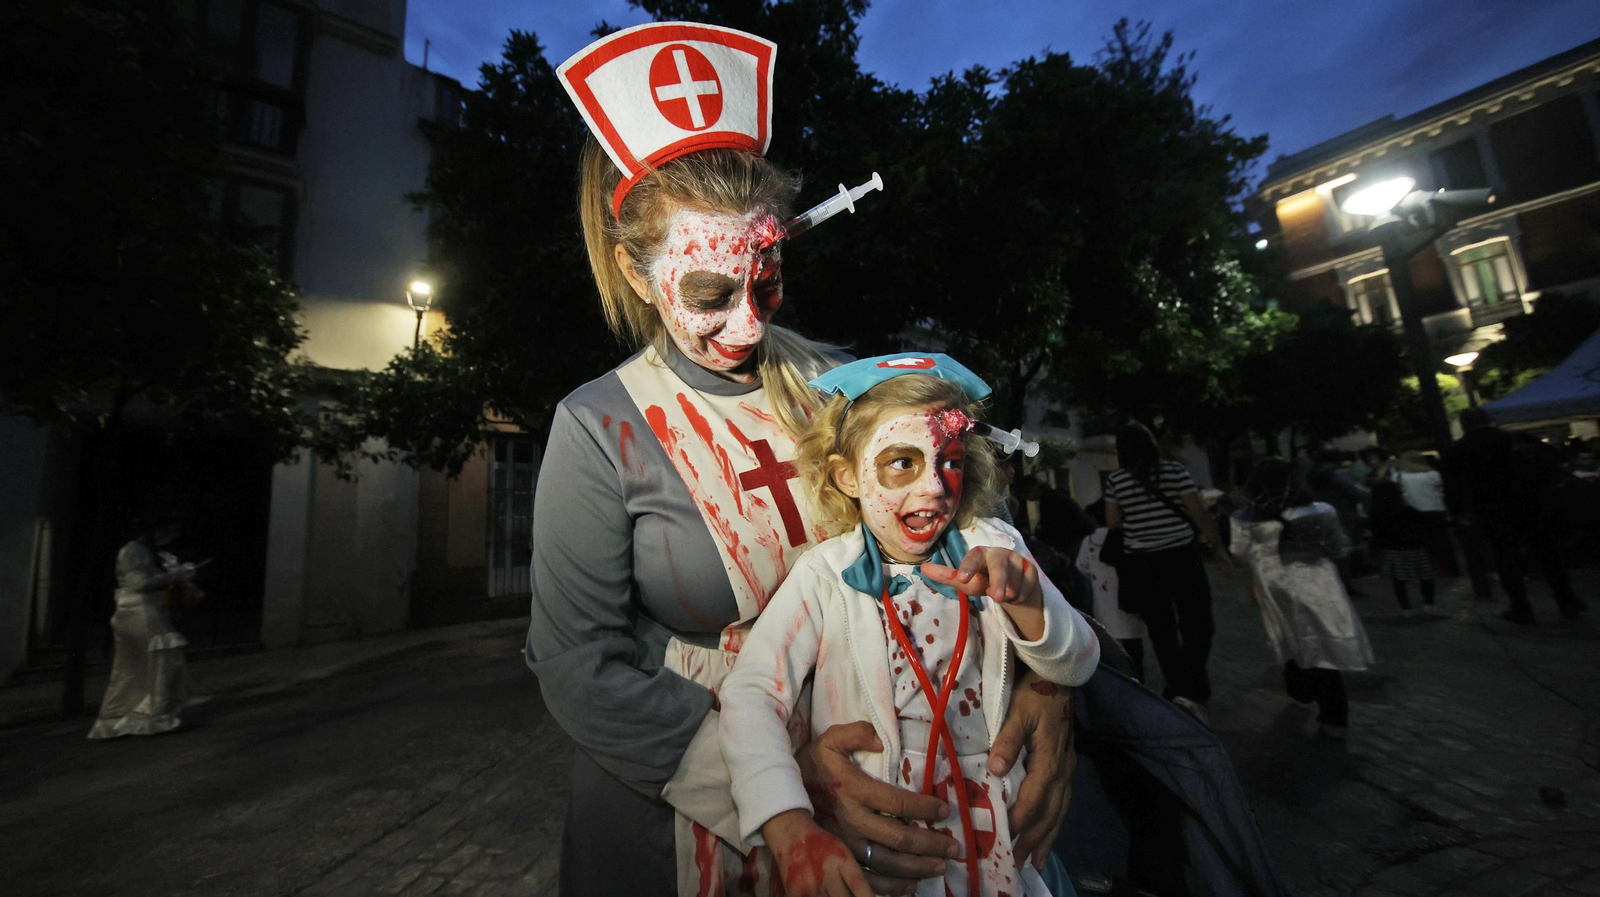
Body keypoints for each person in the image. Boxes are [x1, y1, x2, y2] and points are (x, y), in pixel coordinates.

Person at [528, 22, 1077, 897]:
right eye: (709, 294)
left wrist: (1046, 676)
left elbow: (964, 525)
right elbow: (576, 666)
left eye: (769, 279)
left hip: (894, 778)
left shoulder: (843, 382)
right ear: (637, 273)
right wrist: (786, 793)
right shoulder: (598, 426)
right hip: (682, 814)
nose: (749, 325)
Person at [721, 356, 1100, 897]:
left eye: (948, 461)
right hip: (883, 855)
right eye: (901, 462)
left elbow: (1079, 662)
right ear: (846, 476)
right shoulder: (824, 575)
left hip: (998, 843)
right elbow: (753, 692)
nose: (934, 488)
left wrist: (1030, 601)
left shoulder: (995, 546)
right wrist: (785, 820)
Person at [1230, 459, 1374, 738]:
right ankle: (1334, 716)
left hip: (1274, 583)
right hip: (1318, 580)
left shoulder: (1246, 516)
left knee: (1290, 635)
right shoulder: (1320, 510)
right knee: (1321, 643)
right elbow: (1337, 546)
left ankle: (1300, 689)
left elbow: (1240, 552)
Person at [1104, 423, 1231, 723]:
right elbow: (1198, 512)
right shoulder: (1175, 471)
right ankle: (1193, 685)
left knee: (1162, 631)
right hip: (1182, 557)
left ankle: (1179, 688)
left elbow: (1112, 523)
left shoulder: (1116, 480)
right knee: (1199, 624)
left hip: (1143, 563)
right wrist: (1219, 549)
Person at [1442, 407, 1585, 623]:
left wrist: (1458, 513)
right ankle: (1566, 599)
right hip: (1531, 504)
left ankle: (1521, 606)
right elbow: (1553, 458)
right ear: (1488, 420)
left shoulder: (1459, 449)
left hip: (1492, 510)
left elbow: (1453, 486)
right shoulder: (1513, 438)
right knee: (1547, 554)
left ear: (1464, 425)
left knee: (1506, 558)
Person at [88, 514, 200, 740]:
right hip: (139, 613)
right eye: (169, 529)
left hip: (143, 611)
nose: (171, 536)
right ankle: (153, 717)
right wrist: (174, 575)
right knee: (154, 663)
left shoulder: (146, 551)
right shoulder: (132, 552)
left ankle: (134, 718)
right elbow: (140, 583)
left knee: (141, 667)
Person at [1076, 503, 1146, 682]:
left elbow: (1081, 566)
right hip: (1130, 598)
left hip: (1103, 601)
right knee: (1134, 645)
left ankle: (1120, 681)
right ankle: (1139, 681)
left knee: (1110, 644)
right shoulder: (1130, 535)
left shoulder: (1090, 540)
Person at [1368, 480, 1444, 617]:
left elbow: (1376, 533)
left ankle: (1405, 608)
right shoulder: (1405, 509)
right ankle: (1429, 604)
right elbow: (1424, 521)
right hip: (1414, 547)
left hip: (1392, 549)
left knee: (1399, 580)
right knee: (1425, 576)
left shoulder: (1376, 511)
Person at [1386, 450, 1457, 578]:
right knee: (1442, 541)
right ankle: (1450, 567)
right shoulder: (1433, 474)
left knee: (1423, 542)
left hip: (1414, 511)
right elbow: (1440, 491)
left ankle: (1430, 568)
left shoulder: (1399, 476)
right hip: (1435, 509)